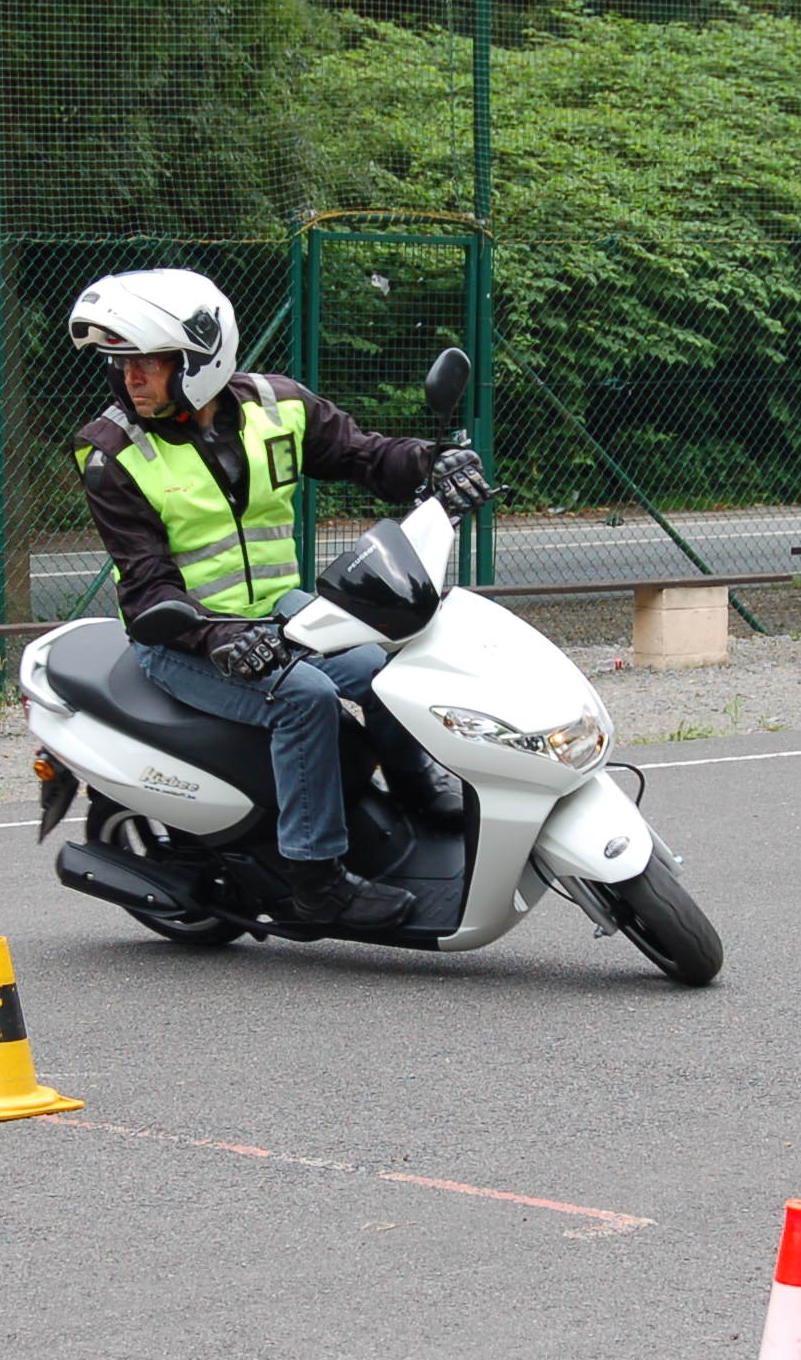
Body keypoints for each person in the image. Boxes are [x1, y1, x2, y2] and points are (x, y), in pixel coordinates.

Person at [67, 268, 493, 927]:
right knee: (307, 698)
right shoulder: (114, 453)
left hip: (278, 616)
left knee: (381, 668)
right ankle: (316, 880)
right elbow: (148, 587)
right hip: (182, 639)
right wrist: (221, 639)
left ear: (201, 359)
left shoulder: (278, 406)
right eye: (122, 364)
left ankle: (414, 788)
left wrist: (434, 462)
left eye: (148, 363)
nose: (131, 378)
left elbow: (366, 455)